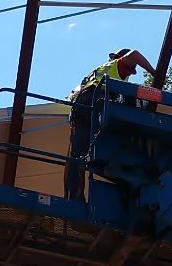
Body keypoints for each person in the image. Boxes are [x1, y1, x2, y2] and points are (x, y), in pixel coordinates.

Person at [66, 47, 160, 202]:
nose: (130, 72)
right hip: (94, 103)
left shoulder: (99, 72)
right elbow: (135, 54)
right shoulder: (118, 66)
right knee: (118, 139)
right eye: (131, 70)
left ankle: (75, 197)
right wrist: (155, 73)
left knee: (78, 156)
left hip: (80, 109)